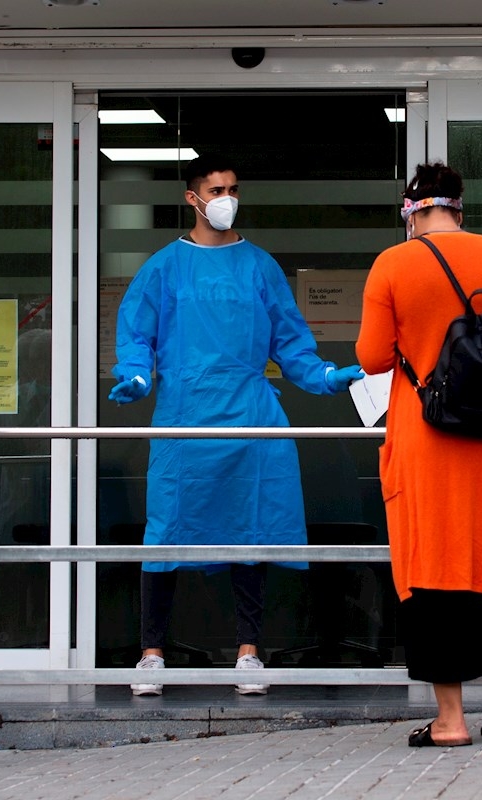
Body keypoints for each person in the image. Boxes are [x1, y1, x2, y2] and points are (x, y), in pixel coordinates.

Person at [109, 154, 363, 696]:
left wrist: (324, 376)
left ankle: (250, 651)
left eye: (233, 189)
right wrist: (135, 375)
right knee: (166, 532)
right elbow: (136, 336)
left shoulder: (259, 267)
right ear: (192, 198)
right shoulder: (164, 268)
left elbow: (291, 343)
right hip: (185, 420)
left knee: (251, 531)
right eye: (216, 190)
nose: (227, 199)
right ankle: (151, 653)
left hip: (250, 418)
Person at [356, 162, 482, 747]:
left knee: (436, 566)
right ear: (459, 208)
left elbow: (372, 357)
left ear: (411, 211)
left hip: (429, 444)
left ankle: (450, 720)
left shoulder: (393, 264)